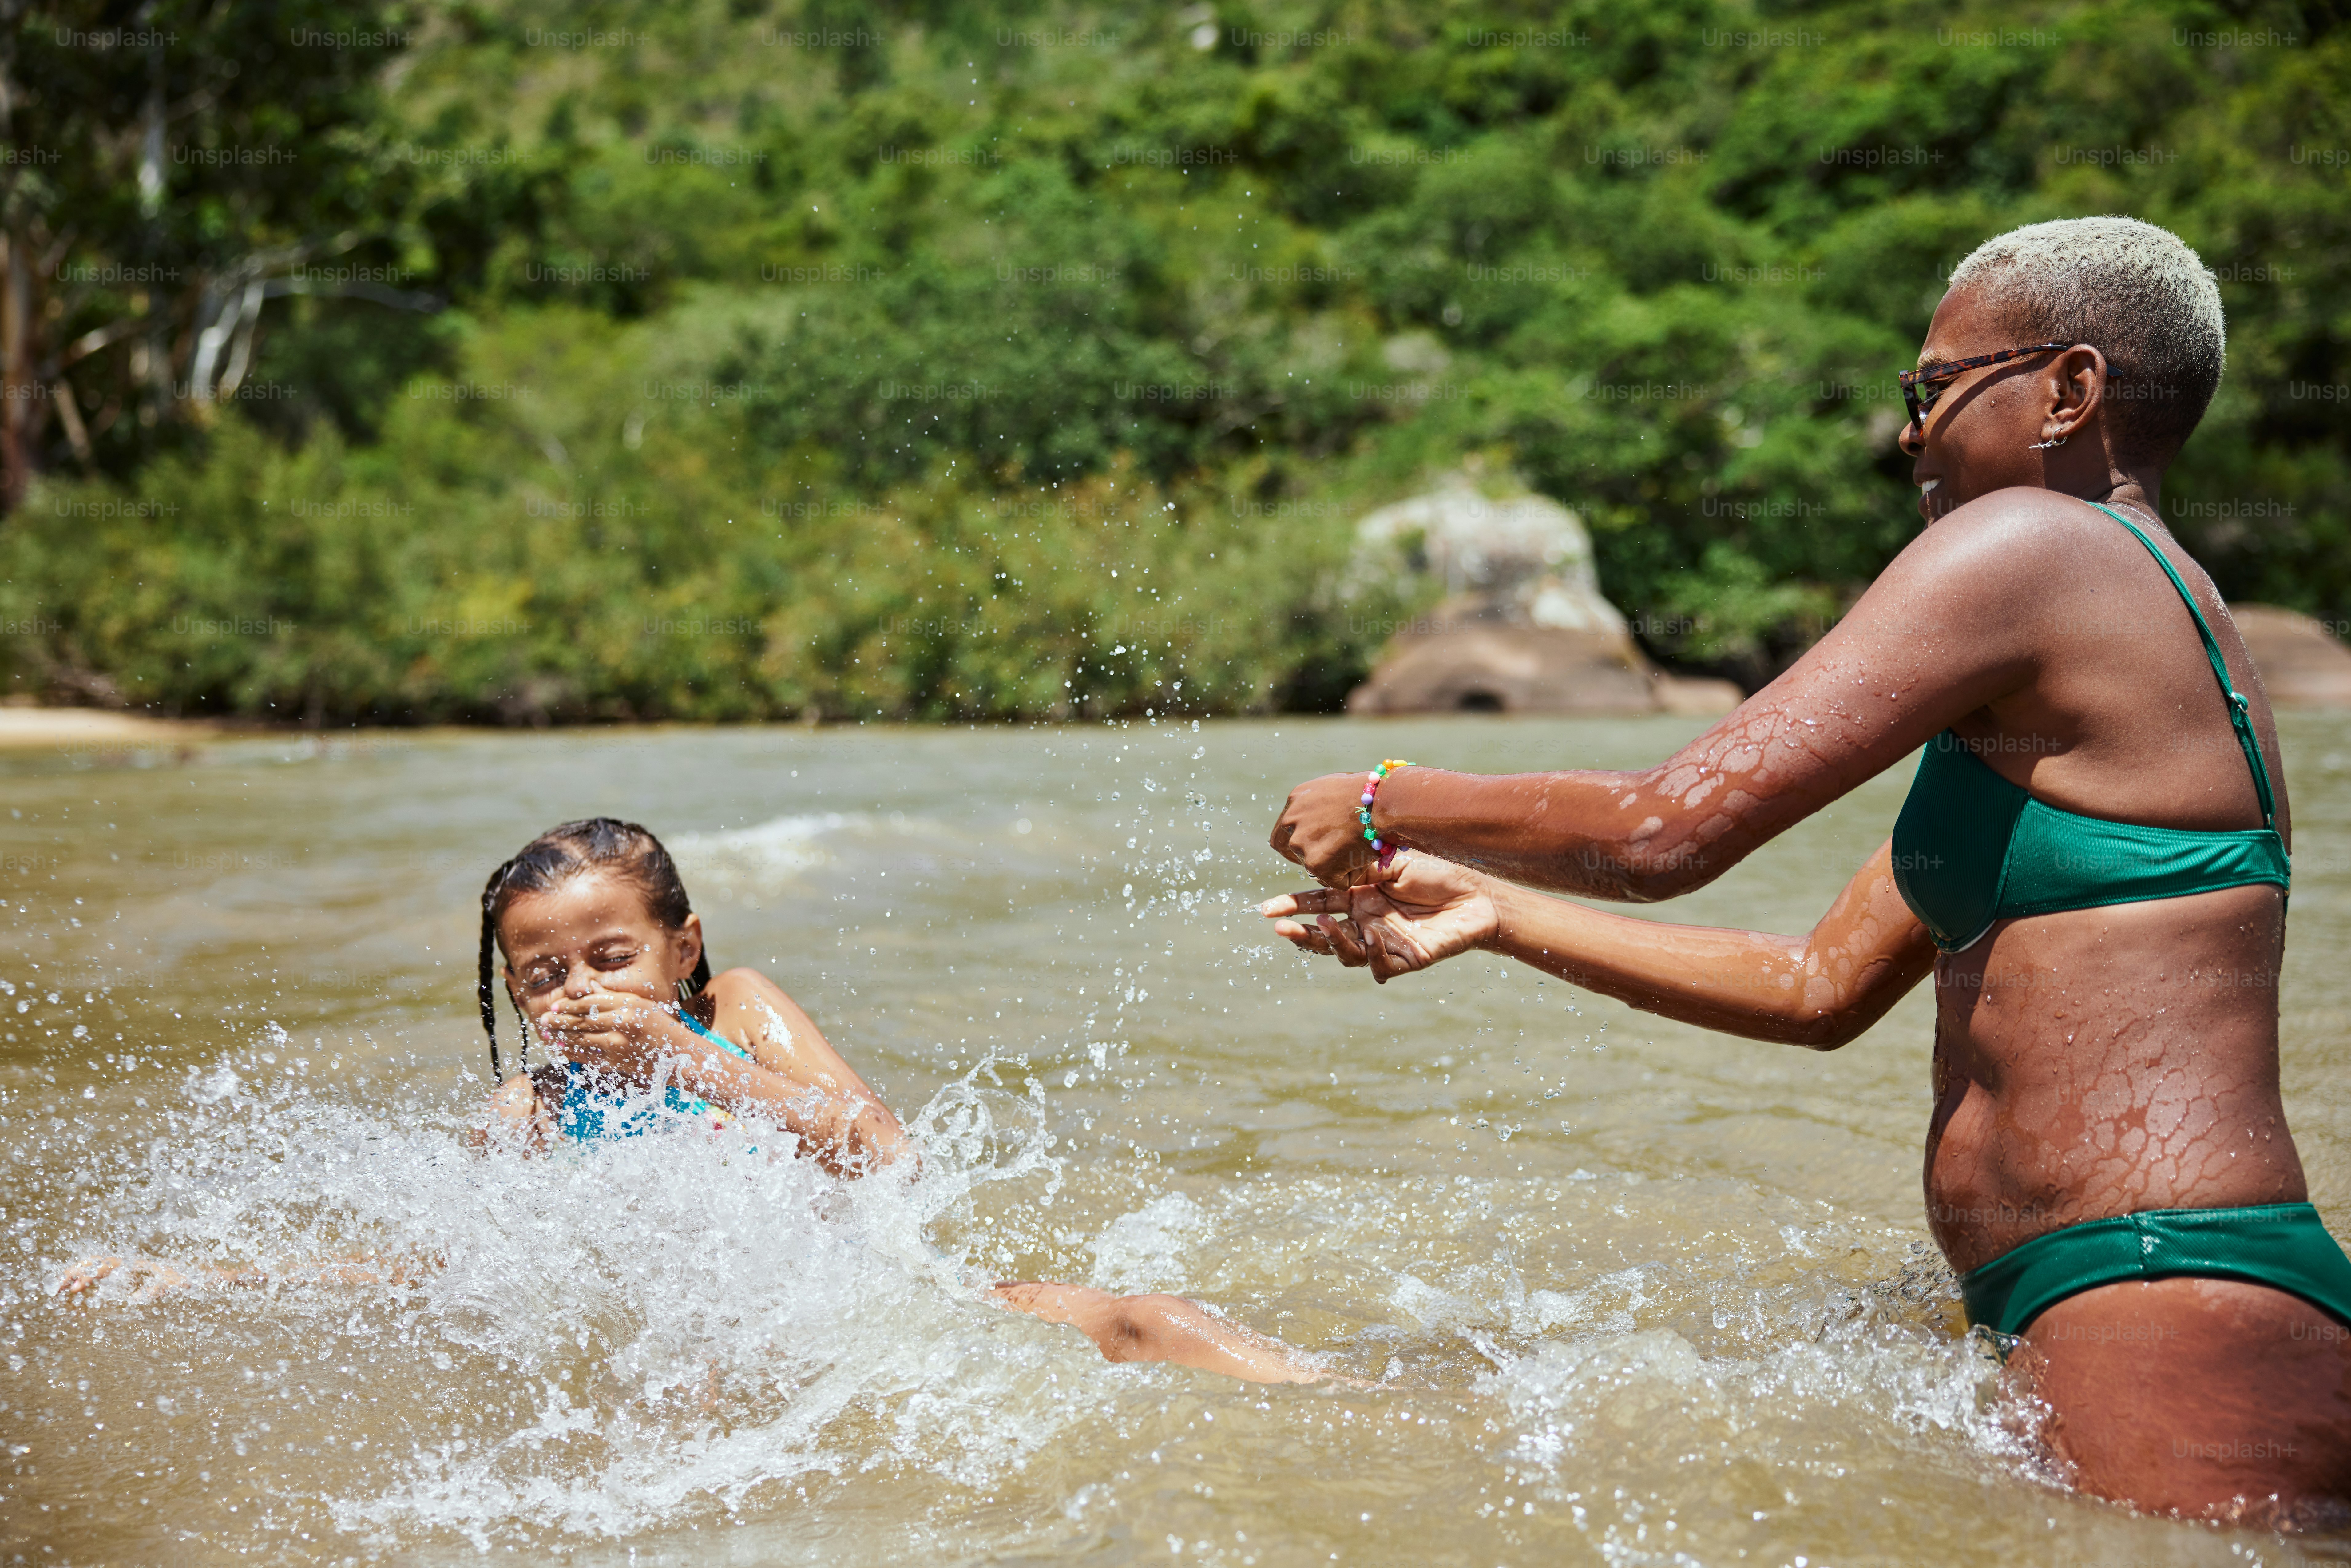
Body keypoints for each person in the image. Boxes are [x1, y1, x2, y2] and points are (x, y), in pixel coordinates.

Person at [1262, 217, 2351, 1522]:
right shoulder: (2129, 627)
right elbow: (1818, 987)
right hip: (2141, 1287)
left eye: (1933, 387)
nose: (1908, 433)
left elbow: (1663, 828)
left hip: (2156, 1294)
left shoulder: (2037, 550)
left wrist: (1387, 798)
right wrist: (1496, 910)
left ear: (2069, 390)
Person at [61, 818, 1325, 1387]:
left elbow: (886, 1155)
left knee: (1147, 1319)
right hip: (734, 1363)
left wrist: (690, 1058)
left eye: (609, 957)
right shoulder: (530, 1111)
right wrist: (201, 1281)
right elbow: (435, 1269)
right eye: (540, 975)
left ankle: (1366, 1405)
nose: (576, 992)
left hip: (869, 1317)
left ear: (681, 949)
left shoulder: (740, 1017)